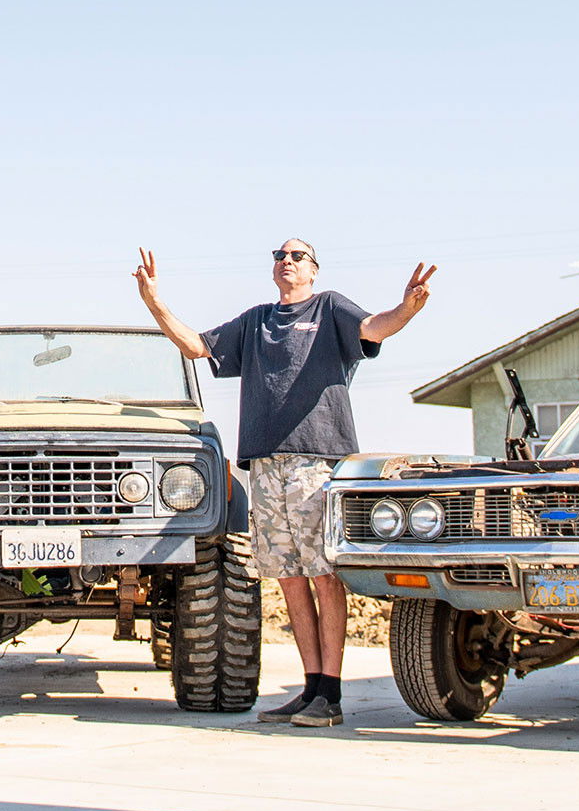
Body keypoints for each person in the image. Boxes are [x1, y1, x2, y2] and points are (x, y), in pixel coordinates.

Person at [134, 241, 434, 727]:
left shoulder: (329, 307)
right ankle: (310, 688)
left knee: (323, 575)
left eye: (297, 255)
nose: (286, 260)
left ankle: (331, 696)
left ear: (313, 269)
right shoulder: (255, 321)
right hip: (265, 466)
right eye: (279, 254)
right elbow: (195, 346)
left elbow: (374, 328)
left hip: (316, 461)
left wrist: (407, 308)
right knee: (291, 579)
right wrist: (154, 302)